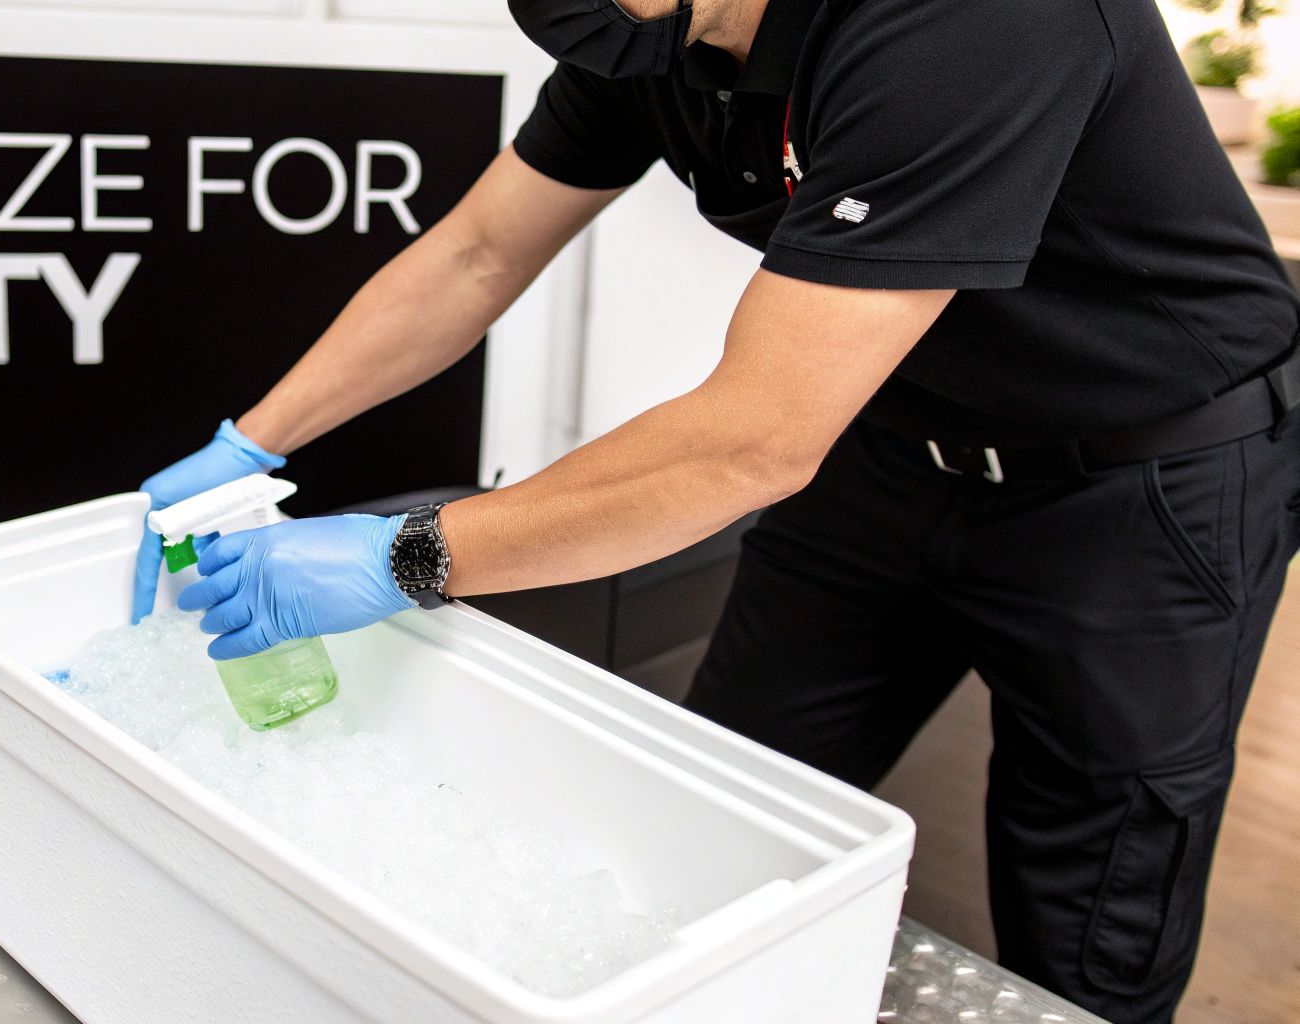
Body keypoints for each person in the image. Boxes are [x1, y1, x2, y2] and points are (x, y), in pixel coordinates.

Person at [129, 1, 1300, 1020]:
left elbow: (752, 438)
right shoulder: (649, 29)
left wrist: (410, 554)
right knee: (727, 804)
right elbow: (476, 255)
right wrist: (252, 440)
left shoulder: (971, 20)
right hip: (883, 449)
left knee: (1087, 917)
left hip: (1137, 483)